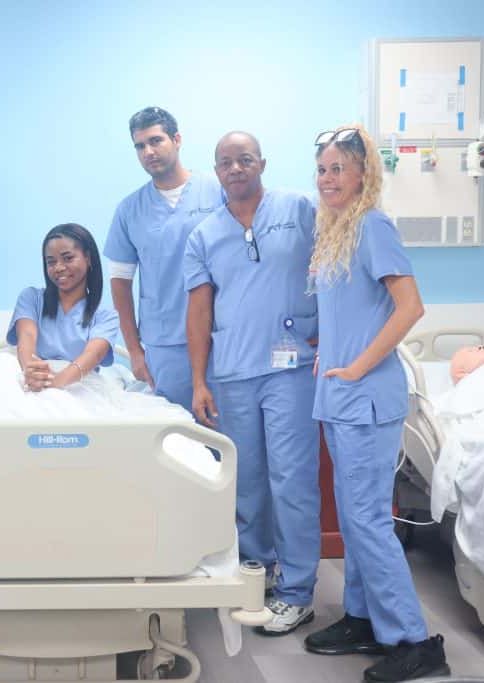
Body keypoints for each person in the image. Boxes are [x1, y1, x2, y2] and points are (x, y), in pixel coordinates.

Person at [303, 125, 448, 681]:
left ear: (364, 174)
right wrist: (332, 356)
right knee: (357, 518)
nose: (328, 179)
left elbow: (410, 308)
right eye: (322, 169)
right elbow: (350, 314)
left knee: (366, 521)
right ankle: (365, 618)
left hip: (366, 398)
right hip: (339, 397)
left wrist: (359, 365)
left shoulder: (373, 225)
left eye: (338, 168)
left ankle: (414, 639)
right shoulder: (338, 231)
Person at [183, 131, 321, 635]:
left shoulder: (299, 209)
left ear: (262, 162)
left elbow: (332, 267)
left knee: (293, 480)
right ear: (215, 171)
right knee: (246, 483)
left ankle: (298, 590)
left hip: (290, 370)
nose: (235, 168)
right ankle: (257, 574)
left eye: (244, 159)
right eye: (225, 162)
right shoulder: (205, 234)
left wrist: (329, 331)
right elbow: (198, 312)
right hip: (235, 373)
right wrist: (199, 380)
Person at [104, 106, 225, 409]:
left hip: (221, 336)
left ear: (177, 139)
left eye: (156, 141)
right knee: (178, 437)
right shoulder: (129, 210)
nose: (148, 151)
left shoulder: (218, 191)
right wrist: (134, 350)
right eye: (140, 146)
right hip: (165, 344)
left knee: (228, 435)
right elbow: (120, 285)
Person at [9, 223, 119, 391]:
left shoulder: (105, 316)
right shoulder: (31, 299)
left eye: (68, 258)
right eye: (51, 262)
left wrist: (56, 383)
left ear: (88, 258)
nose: (59, 268)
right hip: (33, 379)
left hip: (79, 384)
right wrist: (30, 371)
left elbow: (93, 354)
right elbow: (27, 336)